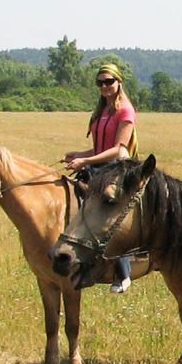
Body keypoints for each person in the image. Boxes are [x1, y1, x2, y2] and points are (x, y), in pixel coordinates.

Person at [64, 62, 139, 293]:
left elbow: (118, 149)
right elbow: (98, 148)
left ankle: (124, 273)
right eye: (100, 82)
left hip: (117, 167)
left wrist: (85, 161)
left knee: (108, 211)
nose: (105, 86)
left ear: (119, 82)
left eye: (109, 81)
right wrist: (79, 154)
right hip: (99, 165)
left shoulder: (125, 110)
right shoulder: (102, 110)